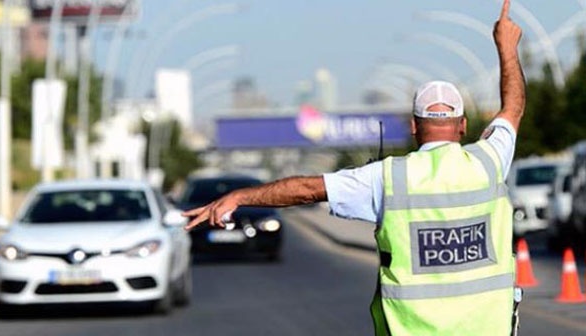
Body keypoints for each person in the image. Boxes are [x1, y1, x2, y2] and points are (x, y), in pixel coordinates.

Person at [183, 0, 524, 334]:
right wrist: (506, 46)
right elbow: (513, 107)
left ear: (414, 127)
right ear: (462, 125)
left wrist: (240, 197)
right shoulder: (489, 161)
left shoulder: (388, 178)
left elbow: (306, 190)